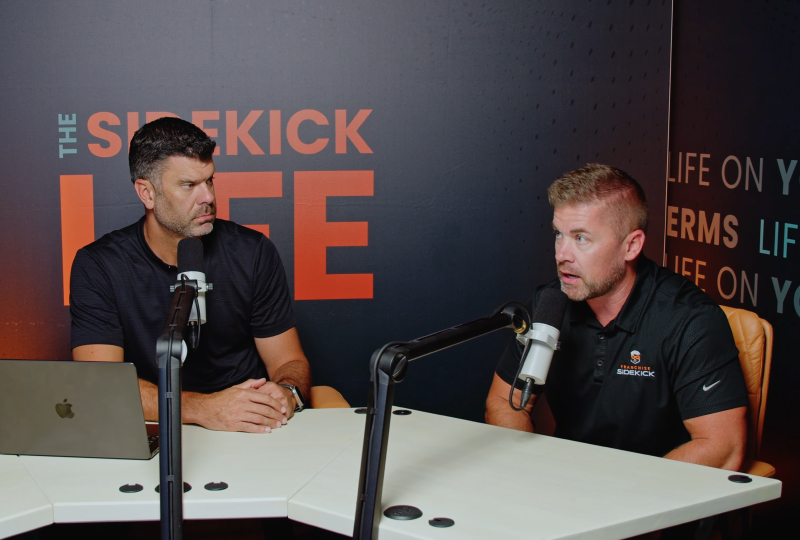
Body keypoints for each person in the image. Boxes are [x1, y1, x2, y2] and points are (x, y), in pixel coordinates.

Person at [486, 163, 748, 471]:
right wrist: (533, 470)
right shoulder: (551, 304)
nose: (561, 254)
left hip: (658, 499)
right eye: (559, 234)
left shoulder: (690, 320)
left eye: (581, 238)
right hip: (566, 489)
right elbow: (503, 403)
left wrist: (618, 496)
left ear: (631, 246)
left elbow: (722, 447)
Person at [70, 117, 311, 434]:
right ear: (147, 193)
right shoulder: (99, 265)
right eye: (188, 185)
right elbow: (99, 385)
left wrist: (286, 392)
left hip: (250, 427)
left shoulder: (252, 252)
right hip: (153, 430)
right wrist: (203, 409)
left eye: (209, 181)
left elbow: (289, 363)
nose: (208, 197)